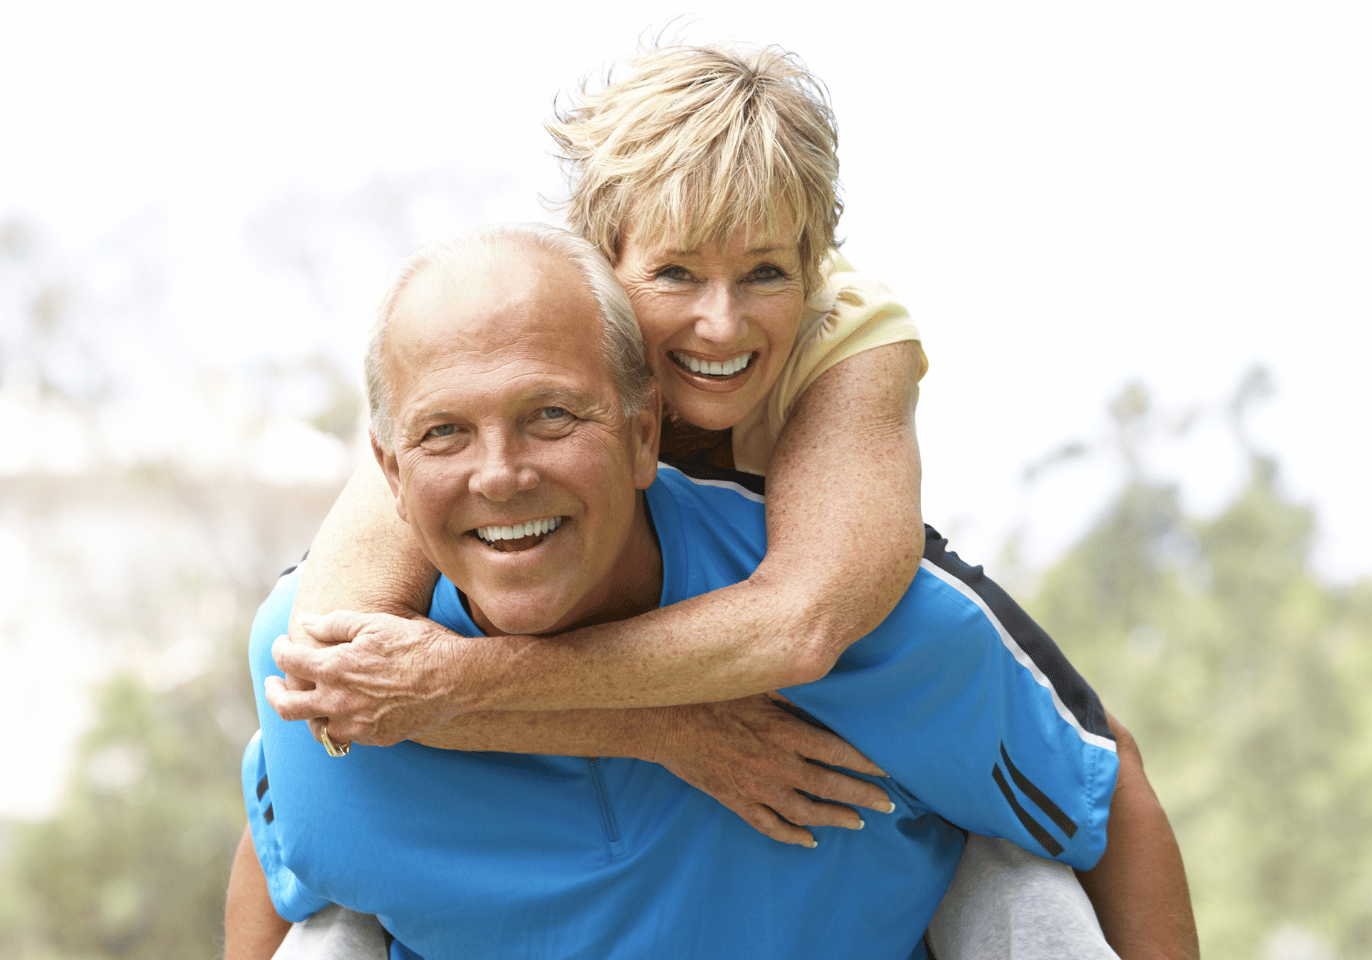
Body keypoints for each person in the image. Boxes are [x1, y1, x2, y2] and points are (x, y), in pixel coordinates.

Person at [227, 224, 1196, 960]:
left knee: (1029, 892)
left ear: (646, 433)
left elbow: (1102, 799)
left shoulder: (873, 621)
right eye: (445, 436)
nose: (500, 474)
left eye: (550, 416)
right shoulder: (332, 674)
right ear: (391, 476)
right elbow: (287, 863)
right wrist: (660, 725)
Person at [267, 42, 932, 847]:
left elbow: (800, 624)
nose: (721, 324)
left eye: (764, 273)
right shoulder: (543, 327)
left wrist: (457, 677)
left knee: (1089, 739)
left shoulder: (850, 335)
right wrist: (662, 731)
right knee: (271, 823)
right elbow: (336, 664)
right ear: (608, 262)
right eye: (677, 274)